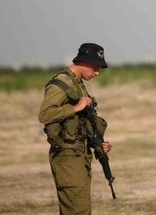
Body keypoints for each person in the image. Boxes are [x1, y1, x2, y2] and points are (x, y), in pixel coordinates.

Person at [38, 42, 112, 215]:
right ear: (84, 62)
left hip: (79, 155)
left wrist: (99, 145)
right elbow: (45, 115)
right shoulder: (61, 83)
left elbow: (80, 124)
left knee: (80, 208)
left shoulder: (78, 84)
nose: (97, 72)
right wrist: (76, 107)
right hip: (68, 155)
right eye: (95, 67)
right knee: (77, 210)